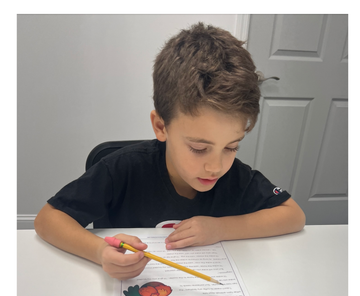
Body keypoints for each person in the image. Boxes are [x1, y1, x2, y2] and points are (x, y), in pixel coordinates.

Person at [35, 22, 306, 281]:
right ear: (161, 126)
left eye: (231, 147)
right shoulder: (121, 169)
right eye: (199, 148)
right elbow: (48, 220)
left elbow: (294, 215)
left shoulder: (236, 177)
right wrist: (98, 252)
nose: (216, 167)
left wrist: (221, 228)